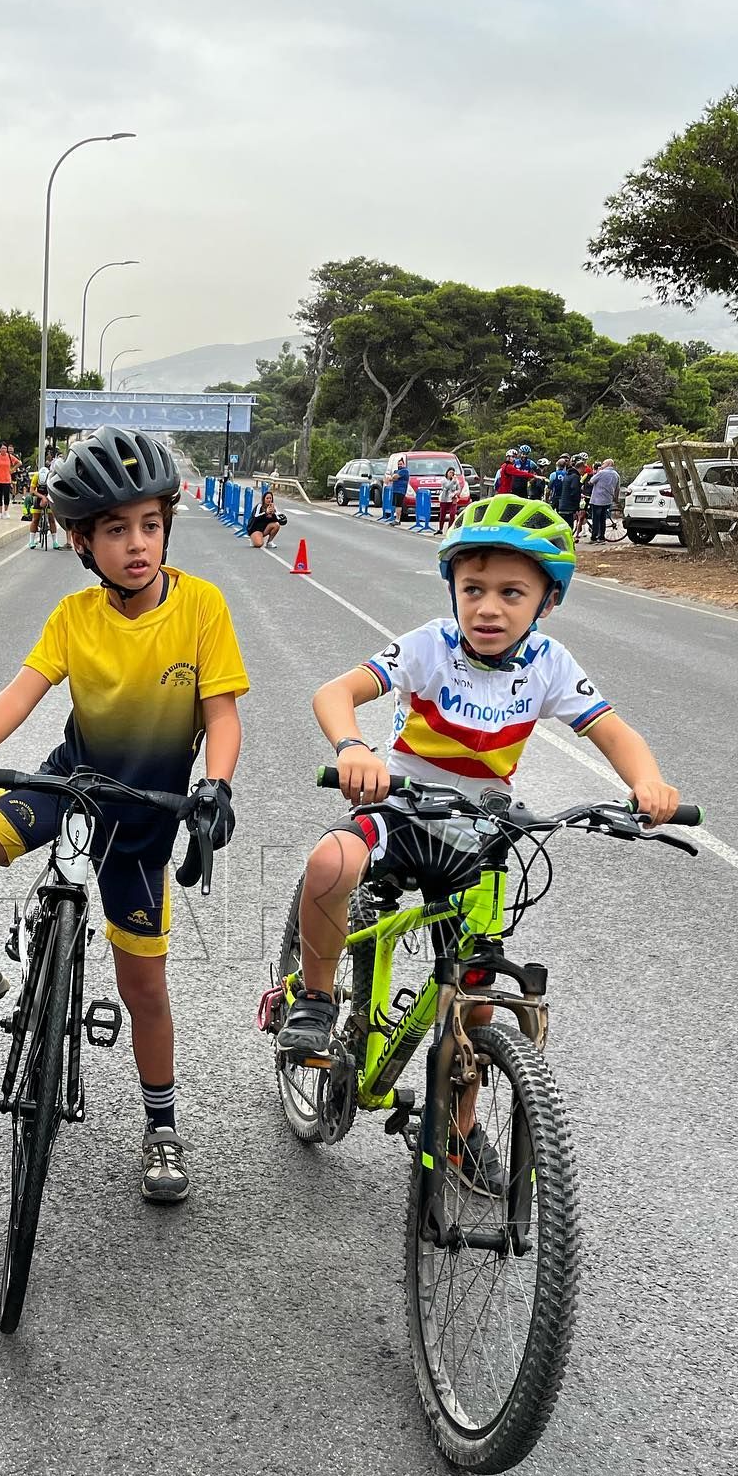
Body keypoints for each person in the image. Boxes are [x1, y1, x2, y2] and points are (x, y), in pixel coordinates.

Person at [276, 493, 681, 1189]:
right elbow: (334, 693)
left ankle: (459, 1129)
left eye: (511, 593)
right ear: (453, 591)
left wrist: (648, 783)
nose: (488, 608)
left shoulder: (550, 662)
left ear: (546, 603)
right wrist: (352, 747)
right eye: (474, 590)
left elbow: (612, 731)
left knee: (478, 992)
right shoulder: (429, 645)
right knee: (330, 860)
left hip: (482, 831)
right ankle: (314, 1003)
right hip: (401, 805)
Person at [0, 426, 249, 1204]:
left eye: (150, 525)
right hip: (73, 783)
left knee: (146, 993)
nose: (137, 544)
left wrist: (217, 787)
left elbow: (222, 717)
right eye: (115, 530)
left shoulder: (201, 607)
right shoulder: (73, 616)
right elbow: (24, 688)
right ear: (81, 542)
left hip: (144, 815)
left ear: (167, 523)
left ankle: (161, 1126)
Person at [586, 458, 620, 542]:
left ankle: (594, 537)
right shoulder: (616, 475)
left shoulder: (601, 473)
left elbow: (591, 481)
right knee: (603, 519)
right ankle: (601, 537)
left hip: (597, 499)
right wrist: (616, 499)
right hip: (608, 499)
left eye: (603, 463)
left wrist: (598, 472)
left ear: (608, 464)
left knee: (596, 519)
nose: (602, 465)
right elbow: (617, 488)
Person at [24, 470, 61, 549]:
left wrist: (47, 497)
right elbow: (32, 490)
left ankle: (55, 542)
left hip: (50, 495)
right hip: (39, 496)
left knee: (51, 519)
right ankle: (31, 541)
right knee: (35, 519)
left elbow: (55, 490)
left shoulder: (51, 476)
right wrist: (42, 497)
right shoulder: (36, 476)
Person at [436, 465, 461, 534]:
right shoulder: (443, 480)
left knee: (452, 514)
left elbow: (459, 489)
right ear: (447, 473)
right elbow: (447, 487)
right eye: (450, 472)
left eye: (452, 473)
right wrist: (453, 481)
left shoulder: (455, 480)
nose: (451, 474)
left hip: (453, 499)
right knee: (442, 515)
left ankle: (449, 529)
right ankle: (440, 529)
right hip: (445, 498)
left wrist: (456, 492)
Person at [384, 455, 410, 522]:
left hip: (401, 491)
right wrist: (390, 478)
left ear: (404, 464)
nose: (399, 465)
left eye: (401, 464)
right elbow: (390, 478)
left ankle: (398, 519)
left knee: (399, 505)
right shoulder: (397, 471)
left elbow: (395, 477)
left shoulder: (405, 471)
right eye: (398, 464)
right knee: (395, 505)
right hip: (395, 490)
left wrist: (390, 478)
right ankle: (394, 518)